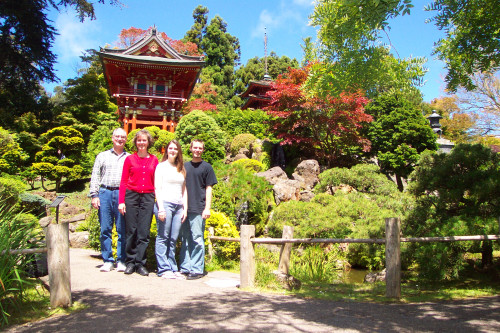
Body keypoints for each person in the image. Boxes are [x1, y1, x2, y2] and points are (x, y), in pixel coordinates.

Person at [118, 129, 158, 276]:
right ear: (136, 142)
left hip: (147, 197)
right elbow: (123, 181)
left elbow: (157, 182)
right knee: (131, 231)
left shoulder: (154, 160)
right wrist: (121, 201)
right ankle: (130, 262)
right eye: (139, 140)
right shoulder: (129, 159)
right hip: (131, 196)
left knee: (143, 232)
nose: (141, 143)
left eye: (144, 140)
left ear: (148, 143)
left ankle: (141, 263)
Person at [89, 128, 130, 272]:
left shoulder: (129, 157)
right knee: (105, 228)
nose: (120, 139)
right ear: (112, 138)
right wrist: (94, 195)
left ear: (126, 139)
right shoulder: (102, 156)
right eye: (117, 136)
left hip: (121, 194)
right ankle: (107, 260)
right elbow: (95, 176)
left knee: (121, 229)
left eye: (123, 137)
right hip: (105, 192)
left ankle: (121, 260)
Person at [179, 139, 217, 280]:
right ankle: (185, 267)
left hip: (198, 208)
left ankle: (196, 269)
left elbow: (209, 188)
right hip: (184, 208)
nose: (197, 150)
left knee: (197, 238)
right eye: (195, 147)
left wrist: (207, 208)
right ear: (190, 148)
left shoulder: (207, 167)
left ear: (203, 150)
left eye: (200, 148)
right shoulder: (184, 166)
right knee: (185, 238)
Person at [154, 140, 187, 280]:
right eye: (170, 148)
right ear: (166, 150)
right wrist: (161, 208)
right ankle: (163, 268)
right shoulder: (161, 167)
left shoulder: (181, 168)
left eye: (175, 149)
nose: (173, 151)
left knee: (173, 239)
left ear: (178, 151)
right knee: (163, 237)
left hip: (178, 206)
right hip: (165, 204)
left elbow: (184, 190)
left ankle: (173, 267)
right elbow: (157, 188)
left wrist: (185, 208)